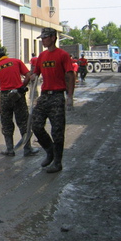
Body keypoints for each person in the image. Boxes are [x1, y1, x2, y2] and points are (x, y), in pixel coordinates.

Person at [30, 28, 75, 173]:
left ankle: (57, 163)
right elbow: (35, 73)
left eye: (45, 37)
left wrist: (70, 96)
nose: (42, 40)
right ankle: (49, 150)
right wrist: (27, 80)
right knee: (36, 125)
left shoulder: (63, 55)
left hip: (57, 96)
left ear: (53, 38)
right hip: (44, 95)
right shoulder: (42, 56)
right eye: (41, 38)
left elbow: (70, 75)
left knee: (57, 131)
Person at [0, 48, 39, 157]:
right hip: (18, 95)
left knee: (6, 123)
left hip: (5, 97)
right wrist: (23, 86)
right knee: (23, 122)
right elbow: (28, 75)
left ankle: (9, 149)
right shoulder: (16, 61)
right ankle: (28, 149)